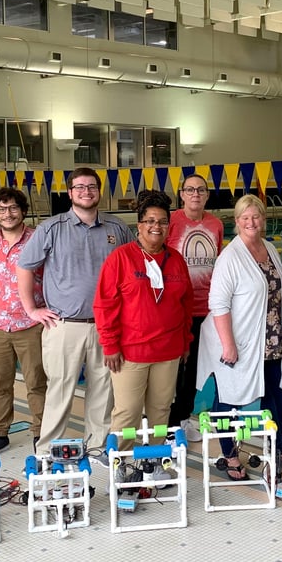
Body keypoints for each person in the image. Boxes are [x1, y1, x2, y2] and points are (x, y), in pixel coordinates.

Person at [18, 168, 131, 459]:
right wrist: (31, 308)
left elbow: (133, 270)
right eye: (79, 187)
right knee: (60, 389)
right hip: (65, 325)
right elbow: (25, 266)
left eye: (91, 186)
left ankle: (95, 446)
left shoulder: (116, 229)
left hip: (107, 326)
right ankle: (46, 450)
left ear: (99, 191)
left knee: (104, 390)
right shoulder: (52, 228)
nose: (86, 192)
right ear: (69, 193)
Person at [94, 191, 193, 472]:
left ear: (169, 226)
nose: (156, 226)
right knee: (127, 413)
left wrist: (185, 341)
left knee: (161, 410)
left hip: (168, 350)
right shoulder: (121, 258)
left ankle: (154, 458)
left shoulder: (175, 260)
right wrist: (110, 345)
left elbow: (185, 305)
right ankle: (121, 461)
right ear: (139, 225)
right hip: (131, 352)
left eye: (162, 221)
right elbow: (104, 304)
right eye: (150, 220)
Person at [196, 195, 282, 479]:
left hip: (270, 339)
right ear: (236, 222)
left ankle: (279, 449)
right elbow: (218, 304)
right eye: (245, 218)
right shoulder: (230, 257)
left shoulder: (269, 248)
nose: (251, 222)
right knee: (228, 399)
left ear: (263, 219)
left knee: (275, 397)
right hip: (238, 342)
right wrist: (229, 346)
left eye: (256, 217)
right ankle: (230, 455)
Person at [0, 187, 48, 453]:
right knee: (0, 383)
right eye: (2, 209)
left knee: (36, 381)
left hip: (30, 324)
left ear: (23, 211)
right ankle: (0, 432)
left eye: (13, 208)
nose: (8, 214)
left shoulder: (38, 239)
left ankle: (41, 431)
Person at [166, 174, 223, 443]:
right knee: (174, 369)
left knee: (197, 368)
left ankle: (183, 417)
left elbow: (220, 264)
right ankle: (168, 421)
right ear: (181, 194)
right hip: (176, 307)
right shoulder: (171, 222)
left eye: (201, 190)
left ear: (207, 195)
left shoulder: (215, 224)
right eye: (190, 190)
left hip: (207, 308)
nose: (195, 194)